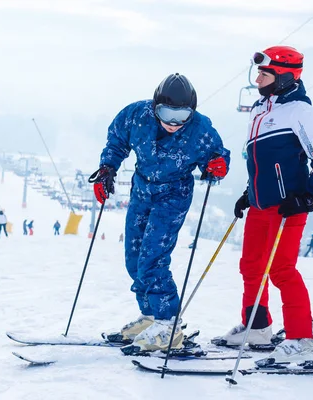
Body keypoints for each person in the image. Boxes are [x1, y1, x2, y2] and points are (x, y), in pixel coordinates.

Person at [91, 73, 230, 352]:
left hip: (173, 195)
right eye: (166, 113)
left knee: (153, 258)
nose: (173, 122)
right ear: (155, 107)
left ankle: (168, 324)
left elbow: (217, 156)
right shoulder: (136, 115)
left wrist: (216, 165)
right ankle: (151, 315)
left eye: (182, 115)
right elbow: (117, 140)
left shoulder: (200, 129)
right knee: (134, 256)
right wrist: (108, 168)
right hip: (142, 190)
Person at [216, 46, 313, 365]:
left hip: (288, 206)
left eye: (264, 74)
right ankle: (257, 326)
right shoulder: (259, 109)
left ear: (283, 76)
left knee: (281, 269)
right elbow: (261, 161)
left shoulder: (300, 111)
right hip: (259, 204)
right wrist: (247, 192)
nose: (257, 80)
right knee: (251, 266)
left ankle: (302, 339)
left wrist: (309, 196)